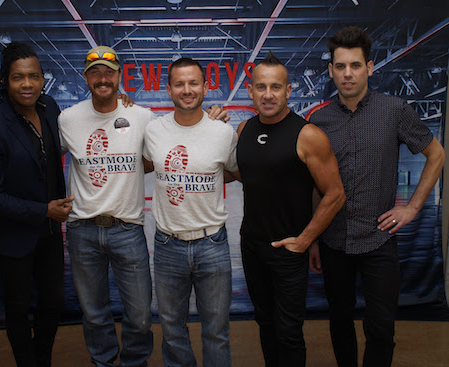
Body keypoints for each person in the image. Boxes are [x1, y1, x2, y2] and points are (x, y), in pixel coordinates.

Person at [57, 46, 227, 367]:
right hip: (82, 229)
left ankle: (135, 363)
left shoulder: (142, 117)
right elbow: (42, 157)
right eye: (95, 73)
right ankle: (103, 362)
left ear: (120, 77)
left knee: (139, 315)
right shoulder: (68, 118)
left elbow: (165, 152)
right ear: (86, 78)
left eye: (109, 72)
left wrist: (210, 122)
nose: (102, 78)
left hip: (128, 229)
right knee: (94, 314)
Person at [308, 26, 445, 367]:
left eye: (355, 65)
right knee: (339, 322)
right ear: (331, 70)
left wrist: (412, 207)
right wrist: (312, 238)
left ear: (369, 67)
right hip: (333, 239)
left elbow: (437, 154)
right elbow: (316, 184)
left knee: (381, 327)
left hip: (379, 239)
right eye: (340, 66)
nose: (348, 73)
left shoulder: (394, 110)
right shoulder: (318, 119)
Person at [236, 52, 346, 367]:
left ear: (288, 91)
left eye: (275, 87)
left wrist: (304, 239)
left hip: (288, 249)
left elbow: (335, 194)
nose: (268, 94)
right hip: (252, 245)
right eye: (261, 87)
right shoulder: (244, 130)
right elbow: (243, 174)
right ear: (251, 91)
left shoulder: (308, 135)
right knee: (265, 325)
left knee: (288, 332)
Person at [0, 42, 72, 367]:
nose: (26, 84)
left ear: (43, 78)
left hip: (49, 233)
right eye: (18, 77)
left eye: (33, 76)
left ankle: (40, 358)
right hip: (13, 235)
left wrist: (121, 102)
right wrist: (44, 210)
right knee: (17, 308)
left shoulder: (51, 108)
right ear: (5, 81)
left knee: (54, 303)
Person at [142, 57, 239, 367]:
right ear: (168, 89)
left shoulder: (223, 133)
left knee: (216, 332)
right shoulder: (154, 130)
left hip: (212, 244)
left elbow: (233, 171)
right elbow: (147, 163)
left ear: (205, 87)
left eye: (193, 83)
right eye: (179, 84)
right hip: (168, 244)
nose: (187, 90)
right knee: (172, 330)